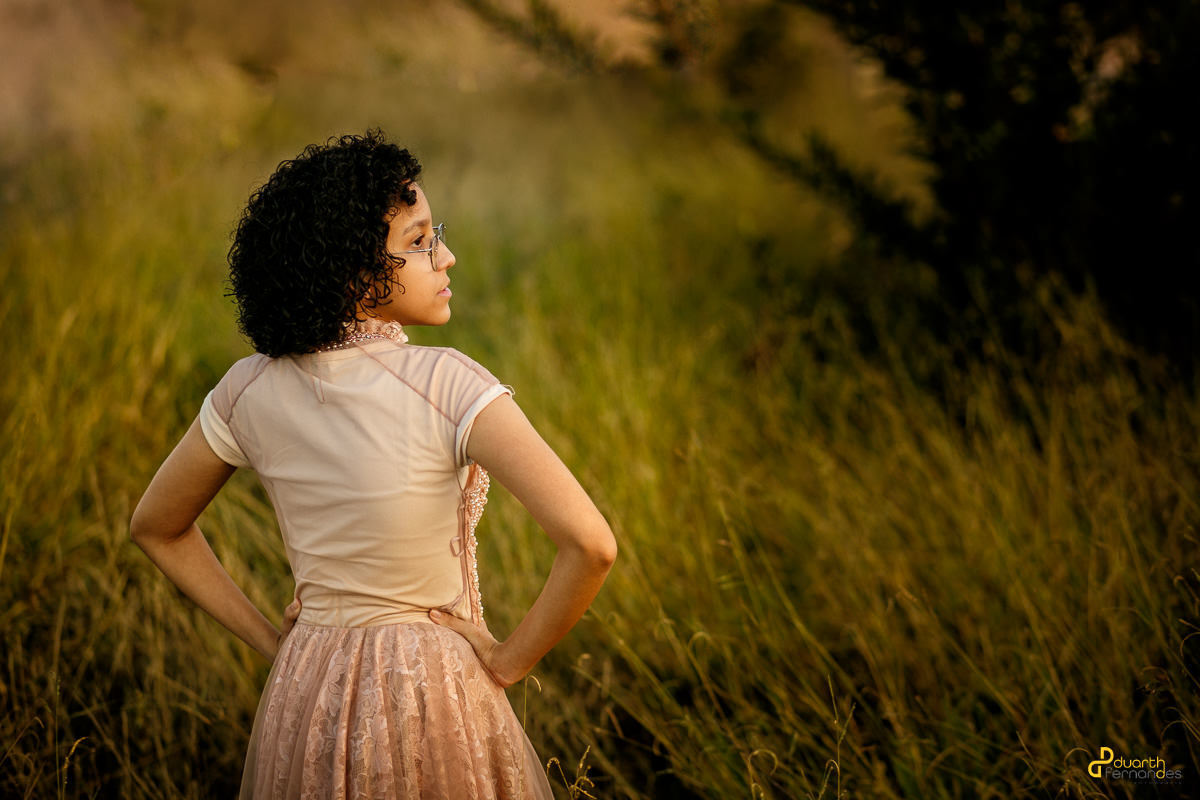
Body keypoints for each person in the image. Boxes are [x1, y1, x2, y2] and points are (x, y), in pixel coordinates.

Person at [129, 130, 617, 799]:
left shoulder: (246, 389)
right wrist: (508, 662)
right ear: (352, 270)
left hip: (305, 693)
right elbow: (591, 546)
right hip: (434, 697)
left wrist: (275, 644)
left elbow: (156, 526)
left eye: (434, 234)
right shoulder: (447, 383)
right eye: (418, 242)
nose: (447, 256)